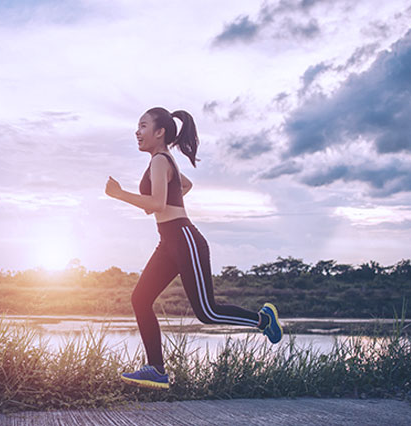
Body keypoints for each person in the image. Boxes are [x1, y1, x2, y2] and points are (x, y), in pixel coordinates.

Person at [104, 107, 282, 390]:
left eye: (143, 126)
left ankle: (264, 319)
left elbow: (158, 204)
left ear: (159, 132)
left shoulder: (161, 161)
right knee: (140, 299)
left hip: (185, 239)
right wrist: (164, 201)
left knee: (207, 313)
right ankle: (157, 370)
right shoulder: (163, 162)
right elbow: (184, 184)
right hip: (168, 242)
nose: (137, 132)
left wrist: (120, 194)